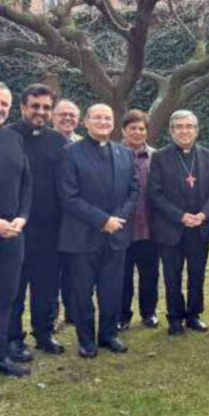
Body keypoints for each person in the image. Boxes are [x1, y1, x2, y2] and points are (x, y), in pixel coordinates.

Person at [58, 104, 139, 357]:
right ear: (86, 122)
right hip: (82, 236)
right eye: (98, 118)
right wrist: (103, 220)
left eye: (107, 118)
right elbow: (68, 196)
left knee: (112, 289)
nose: (103, 122)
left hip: (116, 235)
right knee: (82, 292)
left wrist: (118, 219)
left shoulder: (125, 153)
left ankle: (108, 334)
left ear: (113, 123)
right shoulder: (70, 153)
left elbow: (133, 191)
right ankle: (86, 340)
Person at [148, 110, 209, 335]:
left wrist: (203, 214)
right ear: (172, 131)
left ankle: (194, 315)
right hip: (171, 227)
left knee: (197, 274)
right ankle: (174, 317)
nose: (184, 131)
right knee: (172, 276)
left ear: (196, 130)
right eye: (179, 127)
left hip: (201, 227)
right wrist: (180, 216)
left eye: (189, 126)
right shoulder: (160, 157)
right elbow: (155, 194)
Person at [8, 84, 67, 361]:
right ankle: (13, 339)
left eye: (46, 107)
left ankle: (44, 333)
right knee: (14, 288)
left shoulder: (58, 141)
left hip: (49, 229)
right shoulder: (7, 137)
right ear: (23, 107)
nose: (40, 112)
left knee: (47, 286)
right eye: (35, 106)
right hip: (15, 228)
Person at [0, 81, 32, 384]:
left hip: (13, 234)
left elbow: (27, 182)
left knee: (5, 296)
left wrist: (22, 217)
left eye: (4, 104)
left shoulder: (13, 138)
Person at [119, 110, 159, 330]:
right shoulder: (114, 154)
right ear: (124, 130)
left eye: (141, 128)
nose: (137, 132)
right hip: (122, 227)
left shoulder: (156, 156)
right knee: (122, 276)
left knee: (150, 274)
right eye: (132, 128)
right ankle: (122, 315)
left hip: (150, 227)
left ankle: (149, 313)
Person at [52, 98, 80, 327]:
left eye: (72, 115)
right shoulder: (43, 142)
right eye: (63, 114)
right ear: (53, 116)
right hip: (48, 219)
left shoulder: (83, 144)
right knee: (50, 272)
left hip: (77, 219)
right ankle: (51, 316)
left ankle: (73, 312)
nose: (68, 118)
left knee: (74, 270)